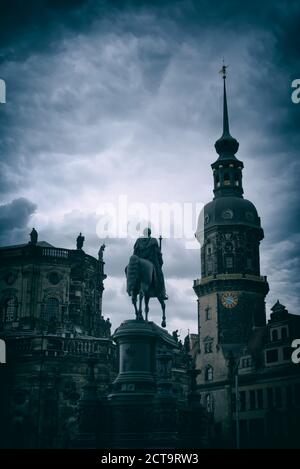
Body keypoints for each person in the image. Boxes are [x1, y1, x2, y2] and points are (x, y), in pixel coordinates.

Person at [133, 227, 167, 299]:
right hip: (152, 262)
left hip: (140, 262)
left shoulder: (138, 241)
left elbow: (135, 253)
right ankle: (162, 293)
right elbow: (158, 254)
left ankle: (133, 290)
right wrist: (160, 260)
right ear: (150, 233)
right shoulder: (154, 241)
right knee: (160, 275)